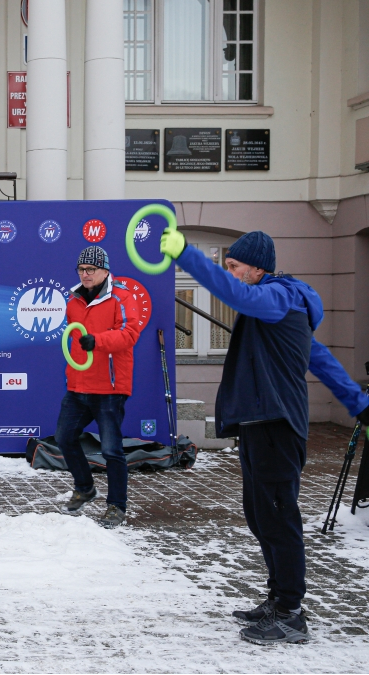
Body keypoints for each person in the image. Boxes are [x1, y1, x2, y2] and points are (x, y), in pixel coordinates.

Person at [160, 228, 369, 645]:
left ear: (258, 267)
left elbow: (241, 298)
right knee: (261, 517)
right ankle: (278, 598)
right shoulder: (277, 309)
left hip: (276, 424)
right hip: (260, 424)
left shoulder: (278, 298)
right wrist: (359, 404)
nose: (231, 273)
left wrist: (186, 254)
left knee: (279, 517)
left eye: (234, 266)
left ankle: (291, 613)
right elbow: (321, 359)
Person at [56, 246, 141, 528]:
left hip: (110, 387)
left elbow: (129, 334)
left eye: (90, 269)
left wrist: (98, 341)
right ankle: (85, 487)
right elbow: (75, 338)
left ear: (105, 270)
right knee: (64, 437)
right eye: (81, 269)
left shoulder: (123, 298)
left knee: (111, 450)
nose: (85, 274)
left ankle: (117, 506)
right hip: (79, 384)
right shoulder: (73, 300)